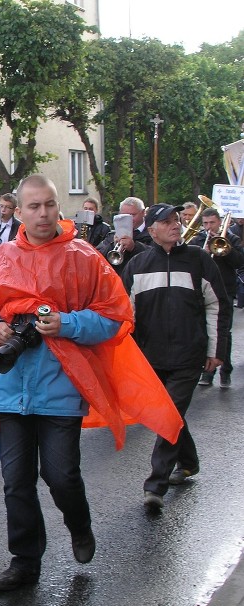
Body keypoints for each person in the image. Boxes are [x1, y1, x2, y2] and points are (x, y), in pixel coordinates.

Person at [0, 175, 182, 591]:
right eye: (33, 206)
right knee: (17, 481)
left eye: (49, 205)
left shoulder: (84, 258)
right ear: (17, 212)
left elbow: (115, 315)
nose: (42, 214)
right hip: (10, 388)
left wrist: (67, 323)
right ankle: (25, 562)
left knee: (61, 476)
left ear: (59, 208)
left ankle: (79, 525)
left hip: (61, 388)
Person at [121, 203, 231, 509]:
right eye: (167, 222)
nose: (175, 225)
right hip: (151, 357)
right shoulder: (138, 265)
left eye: (176, 221)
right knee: (170, 414)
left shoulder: (198, 260)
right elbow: (124, 318)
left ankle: (155, 484)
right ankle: (189, 462)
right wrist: (128, 359)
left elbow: (217, 305)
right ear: (152, 230)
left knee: (166, 416)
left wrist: (215, 350)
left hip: (188, 355)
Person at [188, 207, 244, 388]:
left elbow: (239, 262)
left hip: (225, 290)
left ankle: (225, 372)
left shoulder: (231, 238)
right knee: (205, 330)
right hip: (202, 290)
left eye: (212, 223)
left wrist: (225, 247)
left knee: (224, 332)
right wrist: (203, 252)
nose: (208, 227)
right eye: (205, 223)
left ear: (219, 222)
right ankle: (207, 372)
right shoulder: (197, 240)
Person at [96, 196, 151, 272]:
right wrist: (112, 245)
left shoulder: (152, 233)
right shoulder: (112, 235)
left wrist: (134, 248)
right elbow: (97, 257)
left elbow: (156, 256)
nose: (128, 219)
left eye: (132, 215)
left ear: (143, 213)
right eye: (124, 216)